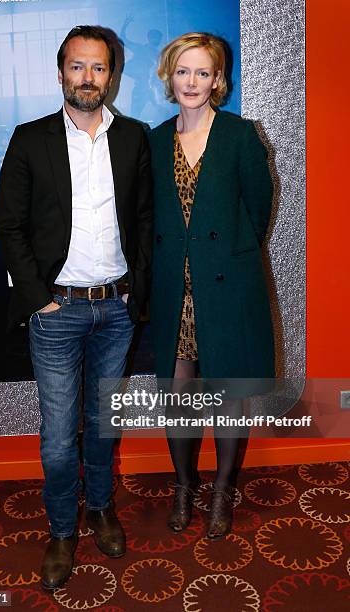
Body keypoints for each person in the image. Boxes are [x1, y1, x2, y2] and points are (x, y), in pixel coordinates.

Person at [0, 25, 152, 589]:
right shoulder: (29, 138)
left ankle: (100, 510)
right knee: (60, 437)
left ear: (112, 75)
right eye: (78, 66)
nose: (88, 78)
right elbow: (9, 225)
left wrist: (137, 285)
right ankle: (63, 530)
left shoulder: (133, 138)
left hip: (115, 308)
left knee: (103, 424)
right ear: (61, 71)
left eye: (99, 67)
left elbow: (145, 220)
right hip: (56, 312)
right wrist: (38, 299)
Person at [149, 32, 274, 539]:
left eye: (204, 72)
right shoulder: (154, 141)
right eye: (184, 71)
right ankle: (184, 484)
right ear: (169, 76)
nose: (192, 82)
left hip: (227, 286)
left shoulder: (241, 135)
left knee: (225, 394)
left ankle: (222, 489)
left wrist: (226, 256)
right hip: (174, 290)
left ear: (218, 80)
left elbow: (258, 211)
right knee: (179, 395)